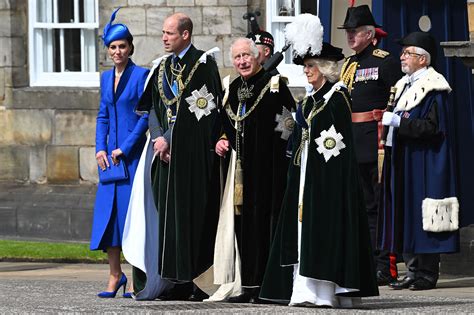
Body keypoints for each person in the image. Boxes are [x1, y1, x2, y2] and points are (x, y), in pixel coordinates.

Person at [258, 14, 379, 308]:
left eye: (311, 66)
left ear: (324, 68)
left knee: (322, 230)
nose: (307, 71)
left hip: (326, 179)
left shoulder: (336, 98)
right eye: (306, 66)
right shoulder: (309, 101)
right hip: (304, 177)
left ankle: (324, 291)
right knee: (301, 233)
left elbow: (336, 144)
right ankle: (304, 290)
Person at [132, 12, 222, 301]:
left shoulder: (203, 65)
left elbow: (203, 114)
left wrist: (171, 140)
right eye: (163, 32)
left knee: (189, 219)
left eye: (169, 33)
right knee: (164, 219)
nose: (164, 38)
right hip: (163, 155)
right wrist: (159, 139)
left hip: (190, 159)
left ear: (185, 34)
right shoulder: (161, 68)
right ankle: (168, 280)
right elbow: (154, 109)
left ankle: (191, 280)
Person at [212, 37, 295, 303]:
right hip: (241, 171)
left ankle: (266, 287)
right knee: (243, 227)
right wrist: (222, 139)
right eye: (237, 58)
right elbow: (223, 123)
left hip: (269, 170)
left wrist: (280, 158)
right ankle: (247, 285)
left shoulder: (274, 86)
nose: (242, 62)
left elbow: (288, 125)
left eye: (246, 56)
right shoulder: (232, 88)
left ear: (258, 55)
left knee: (264, 225)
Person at [379, 31, 459, 291]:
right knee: (407, 214)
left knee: (424, 214)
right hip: (405, 158)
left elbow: (432, 127)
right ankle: (412, 269)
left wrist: (399, 122)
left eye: (407, 53)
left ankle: (427, 272)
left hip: (425, 159)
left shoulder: (435, 88)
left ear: (422, 60)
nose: (402, 57)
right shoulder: (405, 85)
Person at [339, 4, 402, 285]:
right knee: (363, 205)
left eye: (354, 32)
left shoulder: (385, 60)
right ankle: (367, 259)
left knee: (380, 204)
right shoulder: (349, 64)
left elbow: (398, 97)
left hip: (375, 141)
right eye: (348, 32)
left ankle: (385, 264)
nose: (350, 37)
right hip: (352, 141)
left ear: (368, 34)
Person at [90, 7, 149, 298]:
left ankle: (139, 278)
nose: (117, 51)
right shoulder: (104, 78)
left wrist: (124, 148)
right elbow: (102, 116)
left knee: (131, 217)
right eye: (112, 47)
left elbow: (145, 116)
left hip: (132, 158)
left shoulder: (141, 75)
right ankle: (115, 276)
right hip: (109, 162)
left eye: (122, 46)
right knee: (110, 218)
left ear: (130, 47)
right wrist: (99, 149)